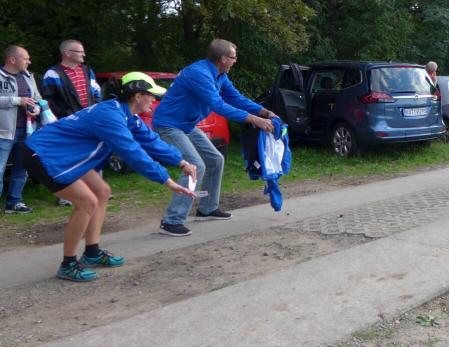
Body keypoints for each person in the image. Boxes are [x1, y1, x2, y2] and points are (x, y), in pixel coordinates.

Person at [22, 72, 197, 282]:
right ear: (138, 96)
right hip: (43, 154)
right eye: (151, 95)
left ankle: (92, 252)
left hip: (62, 154)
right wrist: (167, 181)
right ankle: (68, 264)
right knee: (86, 202)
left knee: (102, 192)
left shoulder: (125, 114)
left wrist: (181, 162)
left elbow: (151, 141)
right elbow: (132, 152)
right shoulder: (110, 117)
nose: (154, 99)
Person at [153, 39, 275, 237]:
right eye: (233, 57)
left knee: (215, 159)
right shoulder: (199, 74)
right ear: (223, 58)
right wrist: (254, 119)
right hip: (169, 125)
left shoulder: (220, 75)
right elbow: (218, 105)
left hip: (186, 125)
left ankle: (207, 208)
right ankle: (171, 221)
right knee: (195, 166)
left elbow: (235, 98)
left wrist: (265, 112)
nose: (235, 61)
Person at [41, 39, 102, 206]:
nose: (84, 55)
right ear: (67, 53)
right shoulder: (52, 74)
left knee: (93, 154)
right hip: (66, 124)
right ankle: (65, 196)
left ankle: (96, 190)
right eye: (80, 51)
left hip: (89, 122)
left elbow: (96, 93)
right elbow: (48, 101)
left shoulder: (87, 70)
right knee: (67, 158)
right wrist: (64, 117)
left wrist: (96, 112)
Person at [0, 45, 41, 214]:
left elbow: (37, 98)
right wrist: (17, 101)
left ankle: (14, 202)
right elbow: (17, 100)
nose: (29, 62)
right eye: (26, 59)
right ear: (12, 59)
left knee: (22, 169)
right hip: (3, 132)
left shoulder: (28, 77)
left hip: (26, 131)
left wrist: (36, 108)